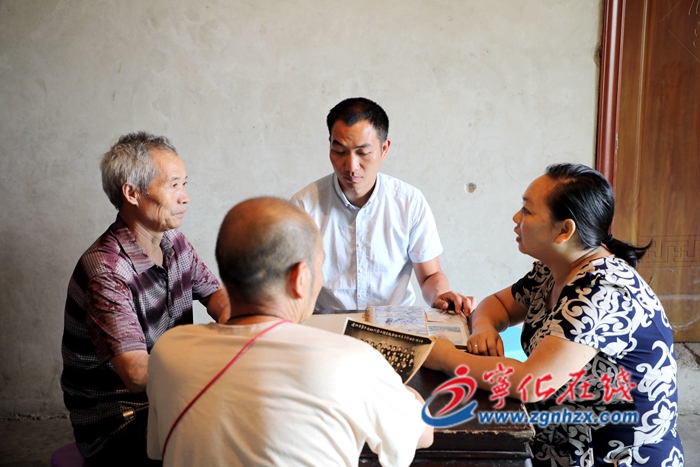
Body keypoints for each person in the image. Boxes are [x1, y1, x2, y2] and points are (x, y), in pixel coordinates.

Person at [424, 163, 684, 465]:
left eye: (527, 210)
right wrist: (483, 328)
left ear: (564, 230)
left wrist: (444, 357)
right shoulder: (556, 269)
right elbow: (498, 304)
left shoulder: (601, 291)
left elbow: (532, 383)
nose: (516, 218)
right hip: (560, 443)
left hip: (613, 456)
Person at [146, 197, 433, 467]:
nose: (321, 278)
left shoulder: (169, 351)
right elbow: (422, 434)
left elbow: (160, 448)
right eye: (319, 267)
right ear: (299, 278)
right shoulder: (353, 362)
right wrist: (401, 391)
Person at [60, 131, 230, 466]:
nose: (185, 197)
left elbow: (217, 295)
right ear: (132, 193)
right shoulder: (107, 271)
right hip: (119, 423)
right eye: (174, 185)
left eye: (184, 184)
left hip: (167, 400)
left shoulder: (173, 241)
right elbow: (137, 374)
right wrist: (217, 361)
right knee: (232, 435)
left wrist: (245, 322)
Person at [291, 97, 474, 315]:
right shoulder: (303, 207)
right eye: (339, 151)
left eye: (363, 153)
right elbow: (290, 281)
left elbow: (430, 276)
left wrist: (440, 296)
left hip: (396, 323)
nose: (351, 166)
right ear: (330, 144)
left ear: (384, 148)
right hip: (326, 326)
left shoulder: (409, 202)